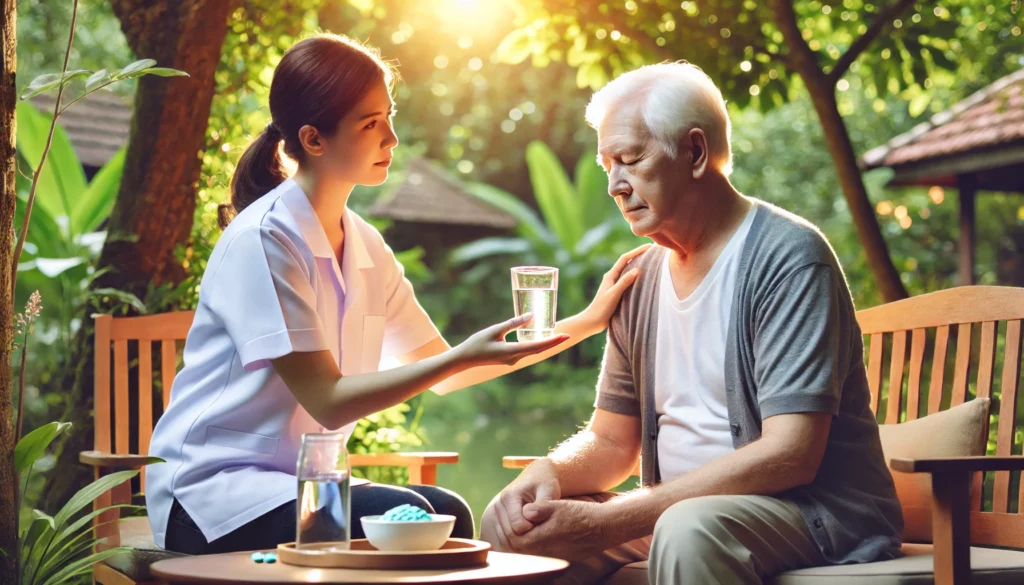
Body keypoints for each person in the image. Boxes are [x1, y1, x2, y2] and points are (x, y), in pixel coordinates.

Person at [145, 33, 646, 555]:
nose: (392, 138)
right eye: (370, 123)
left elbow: (456, 372)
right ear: (314, 139)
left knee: (447, 511)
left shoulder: (363, 243)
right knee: (421, 522)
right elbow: (329, 401)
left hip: (309, 488)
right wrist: (459, 358)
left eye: (389, 116)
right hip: (213, 499)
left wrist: (586, 322)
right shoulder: (263, 240)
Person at [481, 62, 903, 585]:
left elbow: (790, 454)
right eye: (606, 165)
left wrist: (611, 519)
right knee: (515, 531)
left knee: (687, 529)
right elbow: (611, 441)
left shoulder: (789, 258)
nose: (615, 185)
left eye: (630, 160)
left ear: (695, 153)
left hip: (814, 513)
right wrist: (548, 471)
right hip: (681, 509)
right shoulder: (638, 278)